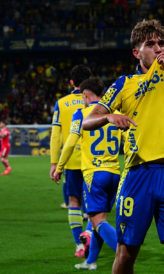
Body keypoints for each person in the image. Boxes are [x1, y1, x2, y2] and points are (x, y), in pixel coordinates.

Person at [83, 19, 164, 274]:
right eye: (151, 44)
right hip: (139, 175)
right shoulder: (123, 84)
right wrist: (107, 116)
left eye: (162, 43)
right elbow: (87, 120)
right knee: (126, 253)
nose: (159, 48)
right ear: (137, 52)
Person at [53, 77, 121, 270]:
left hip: (94, 174)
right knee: (99, 219)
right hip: (114, 172)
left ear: (85, 95)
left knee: (97, 221)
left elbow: (71, 142)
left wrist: (59, 167)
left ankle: (124, 251)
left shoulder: (81, 113)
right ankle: (90, 261)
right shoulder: (115, 112)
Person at [50, 65, 92, 258]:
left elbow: (56, 135)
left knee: (74, 202)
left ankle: (79, 245)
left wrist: (54, 163)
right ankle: (90, 236)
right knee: (94, 205)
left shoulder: (62, 102)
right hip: (95, 161)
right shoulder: (99, 102)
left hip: (72, 162)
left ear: (72, 82)